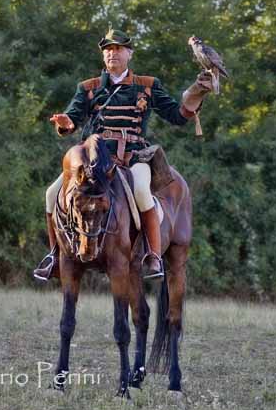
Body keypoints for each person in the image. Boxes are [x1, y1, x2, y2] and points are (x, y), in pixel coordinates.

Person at [33, 27, 212, 282]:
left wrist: (196, 94)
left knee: (140, 190)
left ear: (129, 53)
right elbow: (71, 119)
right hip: (95, 160)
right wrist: (65, 123)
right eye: (107, 49)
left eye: (117, 49)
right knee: (51, 194)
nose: (111, 53)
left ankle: (152, 255)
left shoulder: (148, 86)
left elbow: (177, 116)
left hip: (133, 156)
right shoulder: (88, 88)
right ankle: (54, 256)